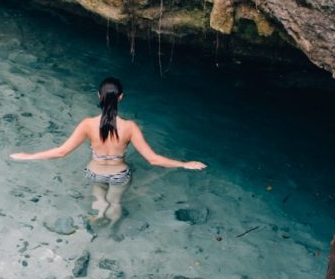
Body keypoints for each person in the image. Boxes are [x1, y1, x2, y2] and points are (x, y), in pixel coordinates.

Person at [10, 77, 206, 223]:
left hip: (93, 172)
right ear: (121, 97)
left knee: (100, 198)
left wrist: (29, 156)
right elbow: (153, 159)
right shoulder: (129, 127)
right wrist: (184, 164)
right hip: (118, 174)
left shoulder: (87, 124)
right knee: (115, 202)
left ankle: (99, 214)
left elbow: (61, 152)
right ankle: (111, 226)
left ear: (98, 96)